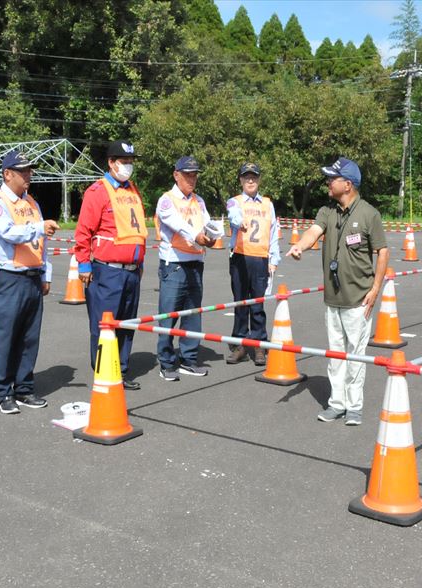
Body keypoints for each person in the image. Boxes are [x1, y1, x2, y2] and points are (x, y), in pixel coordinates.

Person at [285, 157, 389, 426]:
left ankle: (354, 407)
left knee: (355, 356)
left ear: (349, 184)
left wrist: (375, 288)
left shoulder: (369, 214)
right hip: (332, 299)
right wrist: (299, 246)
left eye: (333, 178)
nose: (328, 182)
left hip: (358, 300)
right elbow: (313, 231)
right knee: (335, 355)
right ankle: (336, 404)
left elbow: (382, 252)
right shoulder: (327, 212)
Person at [0, 150, 59, 415]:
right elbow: (9, 233)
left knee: (29, 338)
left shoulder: (32, 203)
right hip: (8, 278)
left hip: (32, 277)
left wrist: (45, 274)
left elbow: (42, 243)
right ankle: (3, 391)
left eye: (30, 170)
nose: (29, 175)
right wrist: (40, 228)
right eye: (23, 171)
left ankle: (24, 387)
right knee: (6, 338)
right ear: (7, 174)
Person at [74, 140, 147, 391]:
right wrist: (84, 265)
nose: (128, 166)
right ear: (111, 163)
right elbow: (83, 231)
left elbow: (136, 230)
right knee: (105, 324)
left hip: (131, 271)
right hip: (107, 271)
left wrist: (140, 261)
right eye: (124, 162)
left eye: (130, 162)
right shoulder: (98, 191)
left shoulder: (132, 190)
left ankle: (121, 370)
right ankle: (104, 371)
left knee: (126, 324)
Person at [155, 156, 216, 381]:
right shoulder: (167, 199)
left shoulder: (199, 201)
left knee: (192, 314)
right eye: (188, 174)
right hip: (174, 264)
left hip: (195, 263)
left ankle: (189, 359)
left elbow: (207, 224)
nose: (192, 179)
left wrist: (212, 236)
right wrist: (199, 236)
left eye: (195, 174)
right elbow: (178, 225)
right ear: (176, 174)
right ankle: (167, 362)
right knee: (169, 314)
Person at [225, 162, 280, 366]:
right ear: (240, 180)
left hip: (260, 259)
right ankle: (239, 343)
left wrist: (273, 260)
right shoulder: (234, 201)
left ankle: (258, 343)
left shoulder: (267, 204)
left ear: (258, 179)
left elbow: (273, 232)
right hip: (240, 257)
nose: (250, 180)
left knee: (258, 303)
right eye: (246, 177)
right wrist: (239, 221)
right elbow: (233, 216)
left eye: (254, 177)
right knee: (240, 302)